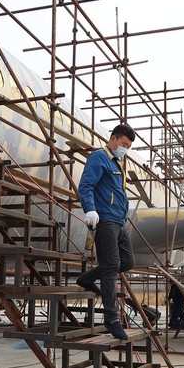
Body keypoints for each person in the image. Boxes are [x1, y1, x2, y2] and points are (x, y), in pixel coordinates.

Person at [76, 124, 136, 340]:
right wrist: (90, 209)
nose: (125, 149)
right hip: (105, 220)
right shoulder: (99, 157)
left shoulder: (117, 163)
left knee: (127, 262)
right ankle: (112, 320)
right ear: (113, 139)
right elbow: (86, 186)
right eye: (124, 144)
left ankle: (86, 278)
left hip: (119, 221)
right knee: (110, 267)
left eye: (128, 146)